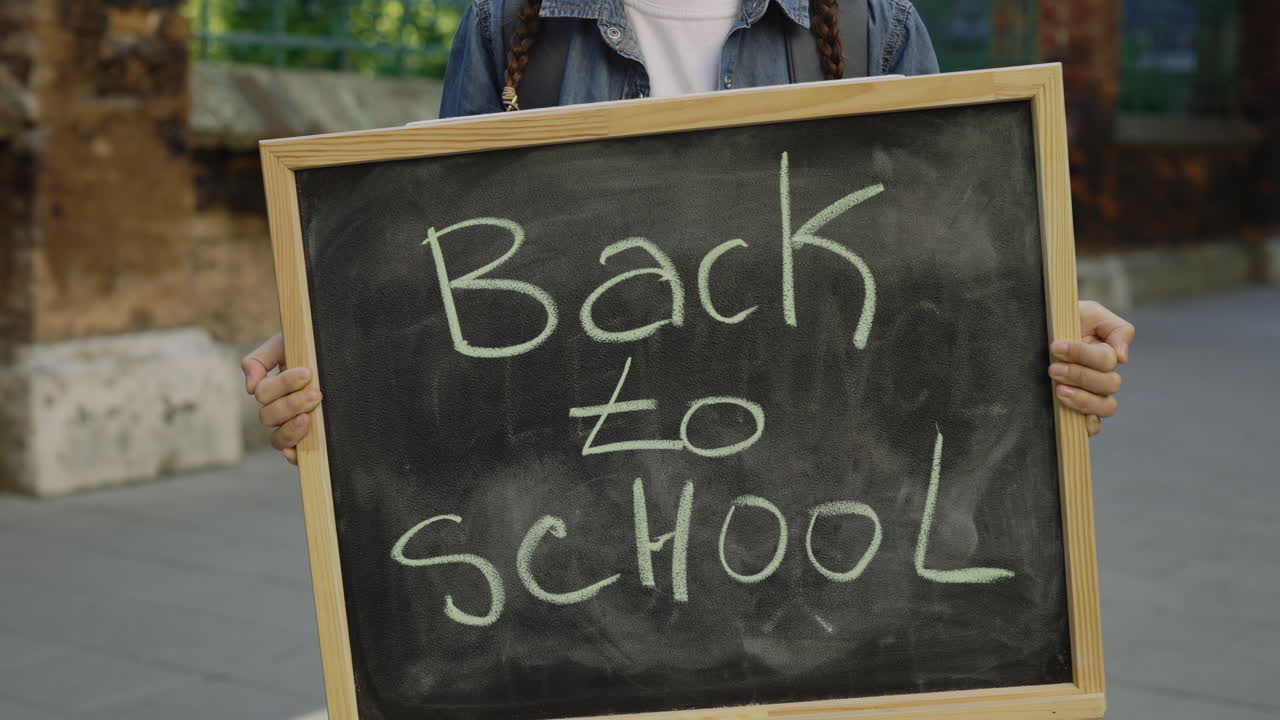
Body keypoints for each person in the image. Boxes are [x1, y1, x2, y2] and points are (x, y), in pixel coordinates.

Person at [243, 0, 1135, 464]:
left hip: (834, 548)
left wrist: (1036, 333)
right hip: (564, 565)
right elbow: (444, 300)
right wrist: (346, 356)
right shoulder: (510, 26)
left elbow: (939, 284)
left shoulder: (873, 31)